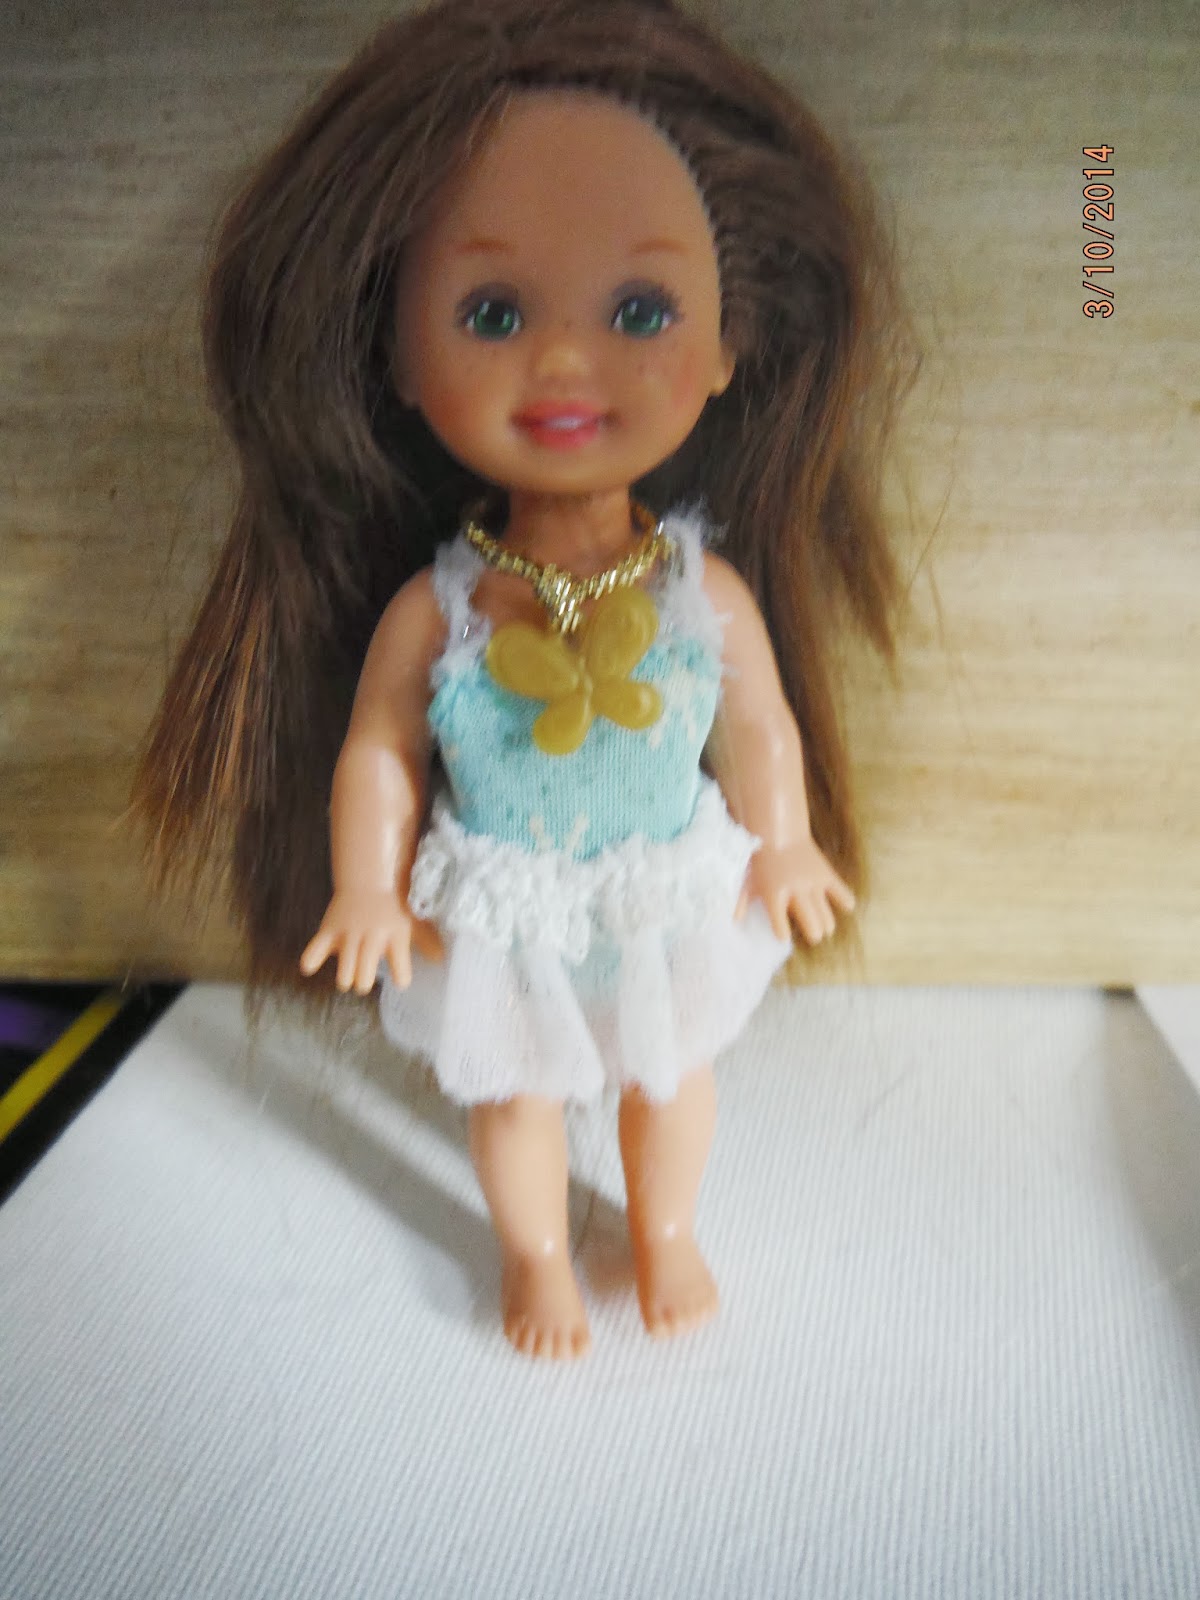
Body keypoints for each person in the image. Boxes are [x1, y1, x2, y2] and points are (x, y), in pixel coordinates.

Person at [135, 0, 912, 1361]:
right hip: (508, 902)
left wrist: (784, 842)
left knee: (671, 1076)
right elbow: (381, 748)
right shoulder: (441, 608)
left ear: (727, 346)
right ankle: (538, 1255)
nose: (561, 360)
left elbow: (757, 720)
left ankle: (666, 1231)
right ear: (398, 355)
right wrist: (367, 884)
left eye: (639, 311)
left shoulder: (698, 589)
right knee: (514, 1095)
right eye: (492, 313)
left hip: (660, 889)